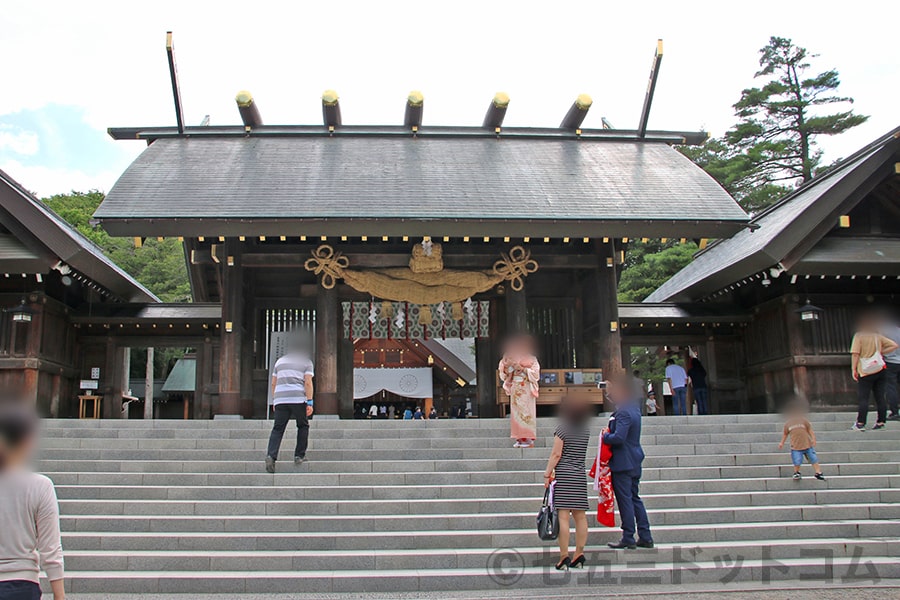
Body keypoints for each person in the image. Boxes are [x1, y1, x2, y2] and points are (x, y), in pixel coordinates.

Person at [0, 404, 65, 600]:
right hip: (22, 584)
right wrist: (59, 596)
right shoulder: (40, 486)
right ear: (27, 441)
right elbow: (50, 548)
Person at [603, 375, 653, 550]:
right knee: (635, 498)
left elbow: (619, 437)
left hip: (623, 461)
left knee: (625, 500)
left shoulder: (623, 411)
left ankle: (628, 536)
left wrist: (605, 436)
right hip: (634, 459)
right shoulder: (634, 409)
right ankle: (645, 535)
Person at [543, 395, 591, 571]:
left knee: (563, 516)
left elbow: (556, 454)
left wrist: (547, 473)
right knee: (580, 516)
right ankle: (579, 553)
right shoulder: (585, 430)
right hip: (579, 475)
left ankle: (564, 556)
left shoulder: (562, 429)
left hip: (564, 474)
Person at [265, 333, 314, 473]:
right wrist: (309, 401)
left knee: (278, 428)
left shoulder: (279, 362)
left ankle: (271, 455)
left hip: (280, 398)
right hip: (298, 397)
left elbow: (274, 383)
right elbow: (308, 382)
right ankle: (299, 455)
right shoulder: (306, 362)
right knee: (303, 425)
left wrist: (275, 400)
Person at [849, 313, 898, 431]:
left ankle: (861, 423)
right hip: (879, 369)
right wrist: (881, 352)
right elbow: (894, 345)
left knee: (863, 397)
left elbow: (855, 354)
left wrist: (853, 369)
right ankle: (881, 421)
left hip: (865, 370)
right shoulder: (877, 336)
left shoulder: (859, 336)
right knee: (880, 396)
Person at [499, 333, 541, 448]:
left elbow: (536, 374)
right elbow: (506, 372)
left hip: (526, 387)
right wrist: (509, 365)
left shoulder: (532, 358)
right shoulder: (513, 356)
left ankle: (528, 438)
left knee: (527, 412)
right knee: (516, 413)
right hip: (516, 387)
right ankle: (519, 438)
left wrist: (523, 369)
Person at [778, 400, 825, 481]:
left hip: (807, 444)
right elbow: (785, 434)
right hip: (796, 446)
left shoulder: (803, 421)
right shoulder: (788, 424)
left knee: (813, 459)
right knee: (797, 460)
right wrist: (782, 442)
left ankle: (818, 472)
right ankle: (797, 472)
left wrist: (813, 438)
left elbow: (810, 430)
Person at [879, 311, 900, 421]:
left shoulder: (881, 331)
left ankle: (895, 412)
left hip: (890, 361)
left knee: (891, 386)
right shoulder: (898, 330)